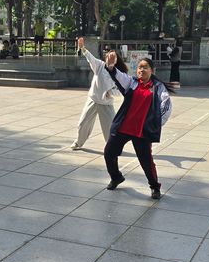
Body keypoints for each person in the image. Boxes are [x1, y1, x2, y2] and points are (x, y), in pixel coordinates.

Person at [103, 54, 172, 199]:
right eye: (140, 68)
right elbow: (120, 76)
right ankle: (116, 177)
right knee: (109, 152)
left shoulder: (158, 88)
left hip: (142, 131)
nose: (142, 70)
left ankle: (155, 187)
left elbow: (166, 107)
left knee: (146, 161)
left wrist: (154, 124)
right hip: (123, 127)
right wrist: (111, 67)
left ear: (152, 71)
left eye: (145, 67)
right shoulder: (132, 83)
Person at [71, 37, 126, 151]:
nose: (110, 58)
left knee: (110, 127)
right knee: (83, 123)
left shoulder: (119, 74)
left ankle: (112, 146)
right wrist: (83, 48)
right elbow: (90, 58)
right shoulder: (100, 66)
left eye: (113, 57)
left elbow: (120, 90)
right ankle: (78, 142)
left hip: (106, 104)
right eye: (109, 55)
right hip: (93, 100)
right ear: (106, 57)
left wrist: (110, 92)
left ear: (116, 60)